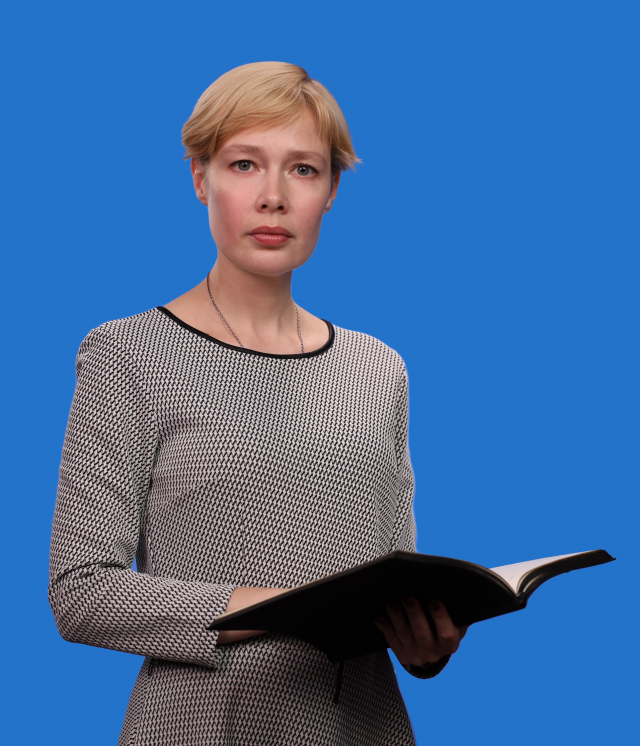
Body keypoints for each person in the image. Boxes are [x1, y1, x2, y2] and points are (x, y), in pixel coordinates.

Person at [48, 61, 467, 746]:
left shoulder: (378, 369)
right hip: (204, 725)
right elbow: (81, 591)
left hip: (361, 724)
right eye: (244, 164)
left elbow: (395, 581)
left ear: (330, 191)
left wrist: (427, 647)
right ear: (200, 178)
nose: (274, 196)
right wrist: (286, 608)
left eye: (303, 169)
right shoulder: (128, 354)